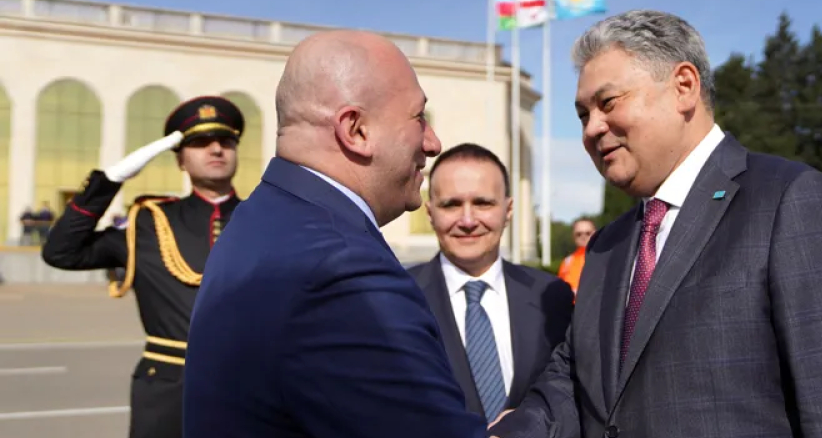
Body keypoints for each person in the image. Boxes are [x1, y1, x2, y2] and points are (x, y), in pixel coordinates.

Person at [489, 10, 822, 438]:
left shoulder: (795, 204)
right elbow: (575, 375)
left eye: (608, 103)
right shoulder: (606, 246)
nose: (592, 129)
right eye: (583, 115)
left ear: (684, 86)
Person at [183, 30, 487, 438]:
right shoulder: (342, 268)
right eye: (419, 118)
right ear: (356, 130)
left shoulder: (259, 218)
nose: (433, 143)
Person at [40, 95, 246, 438]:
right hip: (167, 389)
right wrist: (109, 180)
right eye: (200, 143)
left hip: (250, 384)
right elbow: (61, 252)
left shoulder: (263, 218)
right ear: (180, 159)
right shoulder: (150, 223)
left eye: (226, 141)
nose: (216, 149)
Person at [408, 142, 574, 421]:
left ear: (508, 210)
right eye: (451, 204)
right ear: (430, 213)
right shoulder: (399, 296)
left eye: (482, 203)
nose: (467, 220)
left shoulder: (552, 295)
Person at [557, 217, 596, 295]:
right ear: (573, 236)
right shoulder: (567, 262)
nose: (583, 237)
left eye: (588, 233)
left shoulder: (603, 259)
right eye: (579, 234)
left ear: (595, 234)